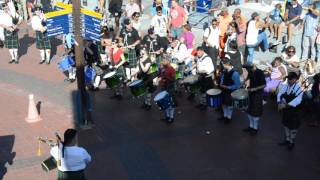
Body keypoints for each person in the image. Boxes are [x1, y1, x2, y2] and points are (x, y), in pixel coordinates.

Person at [277, 72, 303, 150]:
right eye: (288, 79)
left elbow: (298, 100)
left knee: (293, 128)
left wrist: (285, 105)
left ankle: (292, 142)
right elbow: (280, 93)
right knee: (286, 125)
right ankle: (287, 140)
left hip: (294, 111)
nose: (289, 80)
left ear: (295, 80)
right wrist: (279, 102)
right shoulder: (286, 86)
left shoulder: (298, 88)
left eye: (290, 79)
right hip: (286, 110)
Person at [243, 64, 266, 136]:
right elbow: (248, 77)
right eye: (247, 70)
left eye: (248, 69)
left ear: (253, 66)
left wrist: (255, 89)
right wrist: (244, 81)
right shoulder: (250, 71)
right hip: (251, 93)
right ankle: (250, 126)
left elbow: (264, 85)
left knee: (255, 112)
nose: (247, 71)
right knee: (249, 111)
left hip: (258, 95)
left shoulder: (260, 73)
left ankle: (255, 128)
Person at [218, 58, 241, 124]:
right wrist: (221, 83)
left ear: (227, 64)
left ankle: (229, 117)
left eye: (222, 64)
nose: (222, 66)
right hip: (224, 90)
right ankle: (225, 116)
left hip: (230, 92)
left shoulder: (235, 73)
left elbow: (237, 85)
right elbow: (222, 77)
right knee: (223, 104)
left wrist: (228, 87)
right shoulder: (225, 71)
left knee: (229, 105)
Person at [158, 59, 176, 123]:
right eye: (163, 61)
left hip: (170, 88)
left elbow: (173, 79)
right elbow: (160, 76)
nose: (162, 62)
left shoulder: (171, 69)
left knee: (171, 103)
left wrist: (166, 78)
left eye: (164, 61)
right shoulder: (162, 69)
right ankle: (167, 116)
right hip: (164, 88)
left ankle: (171, 117)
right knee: (165, 103)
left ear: (168, 62)